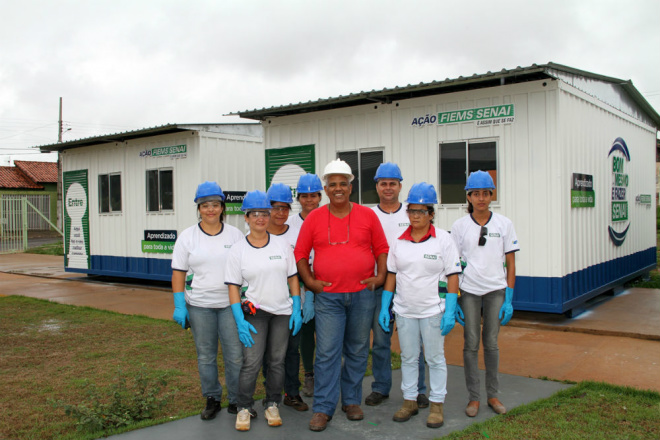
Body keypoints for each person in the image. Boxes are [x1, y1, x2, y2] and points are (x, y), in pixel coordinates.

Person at [294, 159, 389, 432]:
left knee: (358, 350)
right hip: (329, 298)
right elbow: (300, 254)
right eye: (332, 184)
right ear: (325, 188)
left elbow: (381, 248)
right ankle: (323, 408)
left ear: (351, 186)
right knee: (326, 353)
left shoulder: (367, 215)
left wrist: (381, 276)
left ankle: (351, 401)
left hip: (362, 295)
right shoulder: (314, 218)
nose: (338, 189)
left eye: (343, 184)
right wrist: (311, 282)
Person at [379, 182, 461, 428]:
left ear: (431, 213)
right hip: (405, 311)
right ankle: (409, 401)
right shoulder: (399, 242)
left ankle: (436, 405)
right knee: (408, 358)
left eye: (421, 211)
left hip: (433, 311)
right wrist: (385, 306)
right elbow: (391, 274)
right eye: (411, 211)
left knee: (435, 358)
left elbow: (453, 275)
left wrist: (451, 308)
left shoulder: (443, 240)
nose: (415, 216)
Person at [225, 190, 303, 431]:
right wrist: (239, 318)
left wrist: (297, 308)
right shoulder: (238, 250)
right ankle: (244, 407)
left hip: (282, 312)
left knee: (277, 361)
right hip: (255, 314)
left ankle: (272, 403)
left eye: (264, 213)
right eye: (255, 213)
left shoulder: (281, 245)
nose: (260, 218)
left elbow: (292, 278)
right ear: (245, 218)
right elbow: (233, 287)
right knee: (251, 362)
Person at [171, 181, 244, 420]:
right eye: (205, 205)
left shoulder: (235, 235)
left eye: (215, 204)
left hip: (229, 306)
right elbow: (178, 273)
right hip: (199, 306)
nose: (210, 209)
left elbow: (245, 268)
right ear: (198, 208)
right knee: (206, 356)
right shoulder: (187, 237)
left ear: (222, 207)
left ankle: (236, 399)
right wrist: (180, 305)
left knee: (234, 355)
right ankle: (212, 397)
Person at [450, 171, 519, 417]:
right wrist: (454, 299)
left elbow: (511, 263)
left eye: (485, 193)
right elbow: (453, 265)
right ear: (468, 196)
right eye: (475, 193)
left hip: (496, 291)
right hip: (468, 292)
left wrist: (509, 298)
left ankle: (493, 394)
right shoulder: (459, 226)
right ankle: (474, 398)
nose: (481, 198)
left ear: (492, 195)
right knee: (470, 344)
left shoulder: (504, 224)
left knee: (491, 343)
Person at [366, 162, 429, 409]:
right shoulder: (369, 214)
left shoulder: (411, 213)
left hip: (409, 286)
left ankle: (419, 390)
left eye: (393, 183)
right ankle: (381, 387)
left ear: (400, 186)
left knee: (415, 342)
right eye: (383, 183)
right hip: (380, 287)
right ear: (377, 187)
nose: (388, 188)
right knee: (381, 340)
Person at [262, 182, 309, 411]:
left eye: (285, 208)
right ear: (267, 208)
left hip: (291, 303)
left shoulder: (297, 233)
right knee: (265, 352)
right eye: (275, 207)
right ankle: (270, 394)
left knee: (291, 350)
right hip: (261, 303)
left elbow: (304, 266)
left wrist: (304, 297)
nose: (280, 213)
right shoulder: (256, 234)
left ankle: (292, 393)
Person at [286, 173, 324, 398]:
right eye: (305, 196)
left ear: (320, 196)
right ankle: (309, 374)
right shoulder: (290, 224)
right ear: (298, 198)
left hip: (327, 283)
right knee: (306, 332)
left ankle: (328, 373)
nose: (309, 200)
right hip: (300, 285)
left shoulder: (329, 216)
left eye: (314, 195)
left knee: (330, 333)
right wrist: (306, 291)